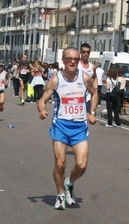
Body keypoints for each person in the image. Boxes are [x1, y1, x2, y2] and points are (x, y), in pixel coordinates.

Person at [37, 47, 97, 210]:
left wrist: (91, 111)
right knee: (60, 164)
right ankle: (60, 194)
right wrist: (42, 110)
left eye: (75, 59)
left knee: (82, 165)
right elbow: (42, 100)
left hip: (79, 127)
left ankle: (69, 183)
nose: (72, 61)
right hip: (61, 126)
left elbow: (95, 92)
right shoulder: (56, 80)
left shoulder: (84, 78)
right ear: (63, 60)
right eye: (69, 59)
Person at [78, 43, 97, 113]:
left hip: (87, 99)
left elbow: (95, 78)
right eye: (84, 52)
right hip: (76, 97)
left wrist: (95, 89)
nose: (86, 54)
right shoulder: (76, 65)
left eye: (88, 52)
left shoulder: (92, 67)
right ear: (80, 52)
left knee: (85, 120)